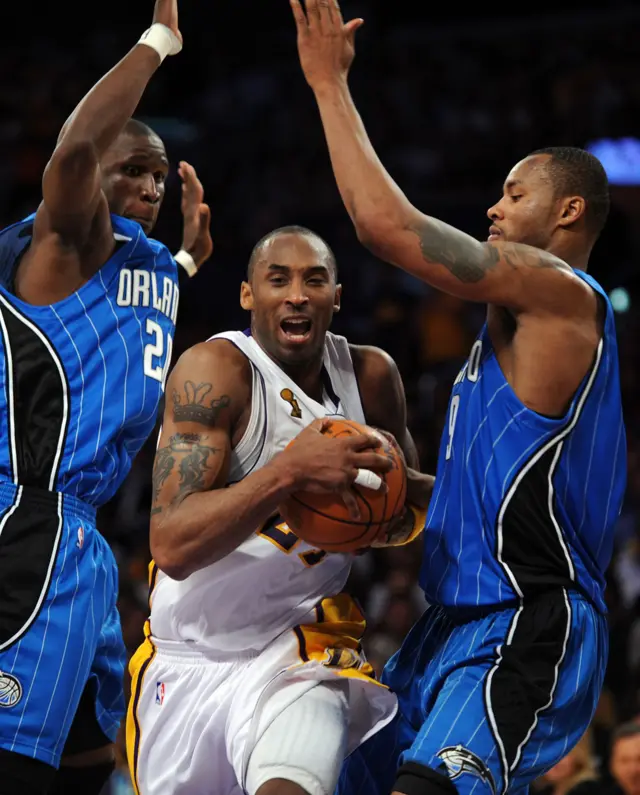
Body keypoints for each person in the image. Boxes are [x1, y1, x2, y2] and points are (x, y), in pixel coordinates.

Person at [290, 2, 627, 794]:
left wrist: (328, 84)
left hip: (526, 620)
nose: (493, 208)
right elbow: (505, 501)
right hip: (453, 622)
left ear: (569, 210)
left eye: (514, 194)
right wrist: (396, 490)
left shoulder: (562, 292)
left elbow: (385, 227)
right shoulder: (506, 335)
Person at [126, 225, 434, 795]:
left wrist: (398, 498)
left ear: (336, 297)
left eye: (314, 280)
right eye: (278, 279)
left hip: (301, 650)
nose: (297, 294)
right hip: (186, 656)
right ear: (248, 295)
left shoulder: (370, 378)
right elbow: (170, 544)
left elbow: (401, 523)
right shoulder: (215, 371)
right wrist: (290, 473)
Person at [0, 1, 213, 793]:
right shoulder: (63, 240)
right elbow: (76, 151)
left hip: (83, 542)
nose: (151, 186)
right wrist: (158, 44)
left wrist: (188, 263)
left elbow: (118, 331)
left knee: (92, 757)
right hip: (27, 520)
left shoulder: (146, 264)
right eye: (134, 170)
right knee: (16, 758)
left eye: (160, 175)